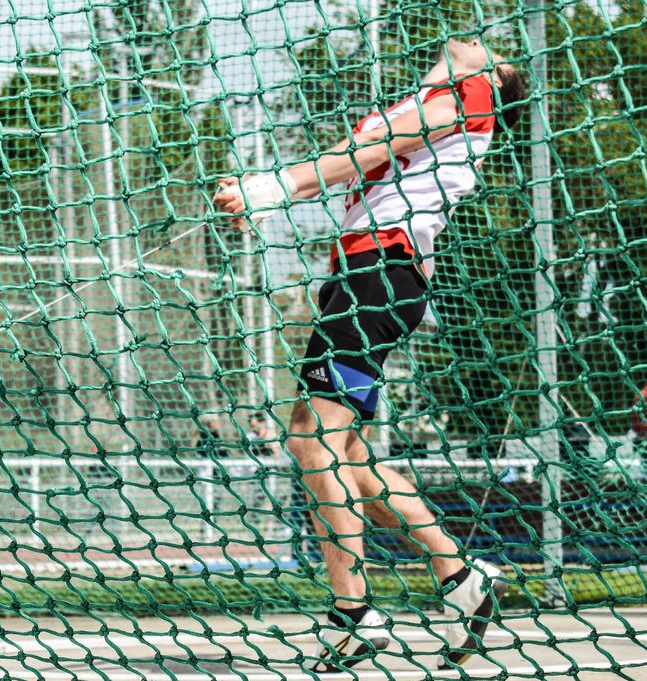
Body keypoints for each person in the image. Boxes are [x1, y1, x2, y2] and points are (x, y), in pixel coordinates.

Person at [214, 37, 527, 671]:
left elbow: (373, 150)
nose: (477, 36)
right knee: (350, 456)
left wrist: (271, 186)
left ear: (496, 77)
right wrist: (265, 198)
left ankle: (353, 615)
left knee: (311, 440)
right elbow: (347, 162)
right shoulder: (422, 98)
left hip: (380, 274)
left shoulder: (471, 95)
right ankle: (462, 577)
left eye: (493, 49)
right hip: (363, 275)